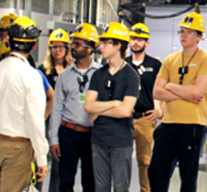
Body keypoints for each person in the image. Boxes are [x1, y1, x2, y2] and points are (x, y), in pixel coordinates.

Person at [0, 17, 49, 192]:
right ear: (34, 46)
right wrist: (42, 158)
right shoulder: (31, 76)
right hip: (17, 148)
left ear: (8, 42)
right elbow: (35, 121)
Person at [148, 12, 207, 192]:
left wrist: (170, 86)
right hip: (169, 123)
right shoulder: (170, 60)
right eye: (182, 31)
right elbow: (157, 92)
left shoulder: (204, 59)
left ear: (199, 37)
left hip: (193, 125)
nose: (183, 35)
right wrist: (184, 92)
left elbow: (197, 92)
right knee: (156, 171)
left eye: (189, 32)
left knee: (188, 177)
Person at [84, 22, 140, 192]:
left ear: (118, 45)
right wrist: (115, 103)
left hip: (121, 141)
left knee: (121, 187)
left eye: (105, 42)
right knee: (100, 187)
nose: (100, 47)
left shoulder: (131, 76)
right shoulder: (97, 75)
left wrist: (99, 110)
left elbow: (125, 111)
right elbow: (88, 106)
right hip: (99, 140)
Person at [49, 23, 100, 192]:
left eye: (78, 44)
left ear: (90, 48)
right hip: (68, 133)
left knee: (90, 182)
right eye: (73, 44)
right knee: (65, 181)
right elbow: (56, 108)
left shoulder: (100, 74)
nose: (73, 48)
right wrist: (54, 139)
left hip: (92, 135)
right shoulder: (64, 76)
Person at [124, 23, 162, 192]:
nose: (136, 42)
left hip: (145, 119)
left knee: (145, 161)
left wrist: (159, 108)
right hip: (124, 120)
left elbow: (162, 89)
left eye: (140, 39)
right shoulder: (122, 64)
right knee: (121, 158)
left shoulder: (155, 65)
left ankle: (145, 190)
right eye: (133, 39)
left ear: (147, 42)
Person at [38, 28, 73, 192]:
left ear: (67, 49)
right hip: (45, 119)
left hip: (64, 121)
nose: (56, 51)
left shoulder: (72, 71)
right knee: (39, 159)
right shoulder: (43, 70)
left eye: (60, 47)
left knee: (60, 163)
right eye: (53, 47)